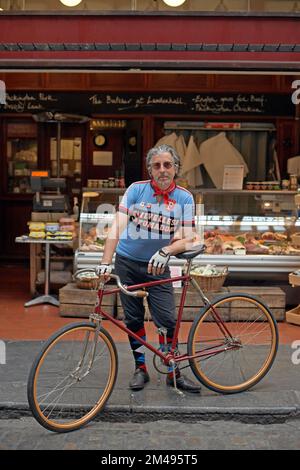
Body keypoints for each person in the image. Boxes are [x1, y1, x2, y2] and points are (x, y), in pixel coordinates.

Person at [96, 144, 201, 393]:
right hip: (126, 264)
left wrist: (167, 251)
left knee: (166, 320)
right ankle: (140, 368)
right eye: (157, 165)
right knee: (133, 319)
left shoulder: (184, 197)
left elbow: (189, 237)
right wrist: (104, 262)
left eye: (167, 165)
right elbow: (117, 227)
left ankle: (172, 370)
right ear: (150, 169)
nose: (162, 170)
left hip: (158, 267)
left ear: (176, 168)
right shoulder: (136, 190)